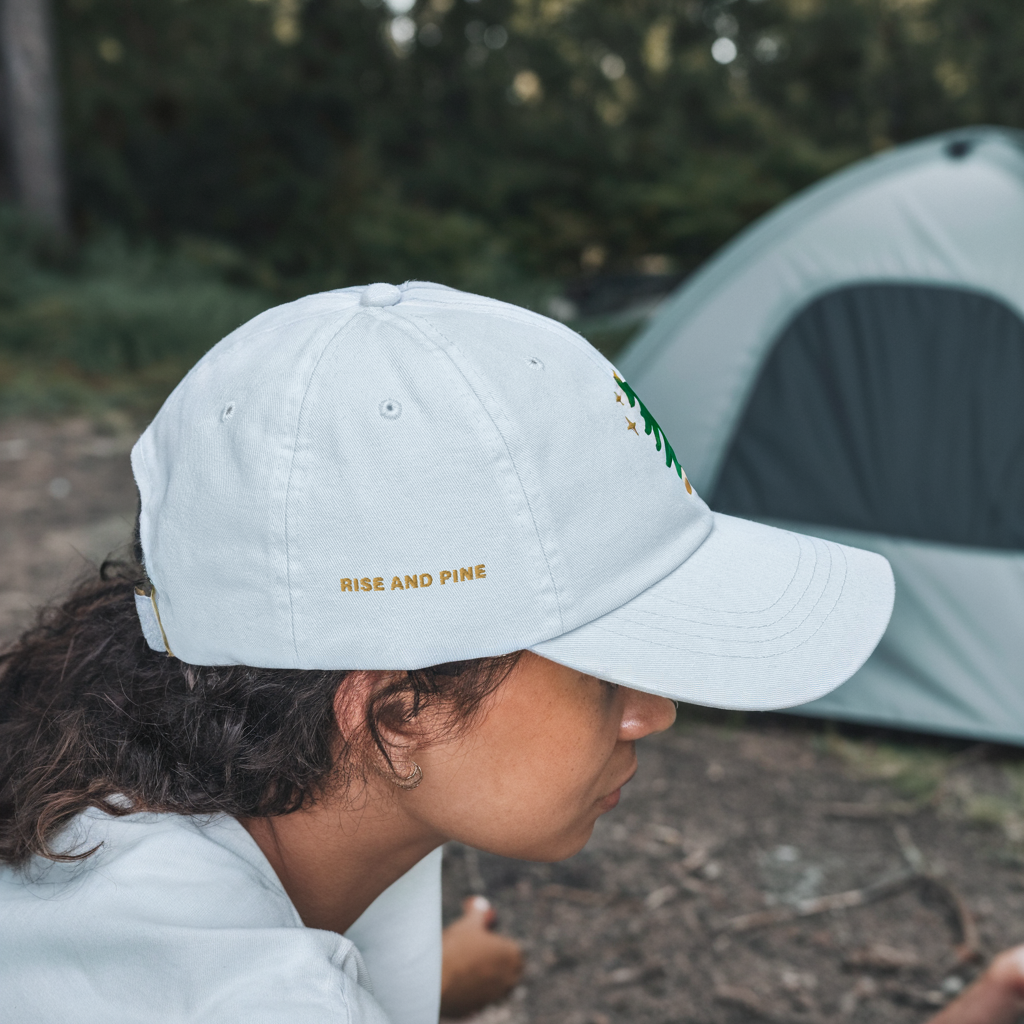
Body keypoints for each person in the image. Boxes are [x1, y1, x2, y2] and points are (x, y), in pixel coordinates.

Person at [0, 281, 894, 1023]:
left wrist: (433, 984)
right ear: (397, 713)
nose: (651, 711)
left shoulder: (140, 792)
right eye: (603, 669)